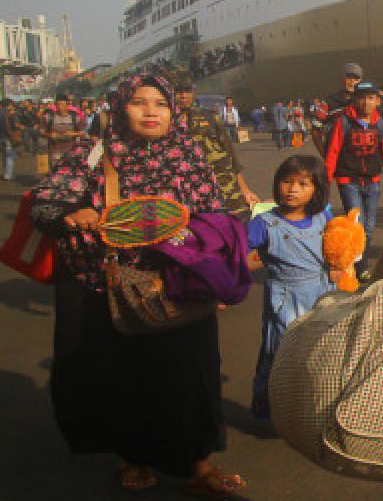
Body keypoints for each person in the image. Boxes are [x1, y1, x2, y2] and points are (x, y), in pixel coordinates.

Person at [28, 70, 245, 496]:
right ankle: (132, 456)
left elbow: (218, 215)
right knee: (122, 376)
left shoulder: (190, 154)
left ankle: (197, 463)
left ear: (173, 111)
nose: (150, 111)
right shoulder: (92, 154)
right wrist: (71, 215)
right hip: (106, 284)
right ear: (120, 107)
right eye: (139, 102)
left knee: (189, 372)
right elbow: (45, 204)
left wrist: (191, 233)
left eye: (160, 103)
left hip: (177, 282)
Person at [247, 154, 335, 420]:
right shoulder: (264, 223)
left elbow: (339, 245)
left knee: (319, 352)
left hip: (323, 295)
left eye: (303, 184)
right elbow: (238, 256)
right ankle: (268, 407)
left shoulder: (324, 215)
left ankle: (310, 408)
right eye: (287, 182)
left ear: (317, 189)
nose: (293, 189)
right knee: (279, 353)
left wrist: (341, 265)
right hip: (285, 298)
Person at [323, 81, 383, 274]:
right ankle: (360, 266)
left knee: (370, 227)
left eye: (371, 98)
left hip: (372, 181)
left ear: (377, 101)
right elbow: (332, 153)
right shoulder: (344, 122)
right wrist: (324, 184)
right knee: (358, 224)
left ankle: (356, 257)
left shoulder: (380, 124)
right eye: (362, 98)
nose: (366, 102)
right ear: (354, 100)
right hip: (349, 182)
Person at [175, 76, 260, 218]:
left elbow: (230, 153)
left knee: (239, 223)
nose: (183, 95)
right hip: (190, 192)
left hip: (225, 185)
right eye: (178, 91)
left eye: (187, 91)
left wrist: (244, 189)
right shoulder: (165, 123)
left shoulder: (210, 118)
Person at [44, 93, 85, 167]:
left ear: (67, 105)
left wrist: (73, 134)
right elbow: (42, 132)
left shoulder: (75, 117)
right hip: (55, 153)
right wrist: (49, 135)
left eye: (62, 104)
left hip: (72, 153)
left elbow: (84, 133)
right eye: (58, 105)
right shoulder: (49, 117)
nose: (60, 107)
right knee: (55, 175)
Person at [0, 99, 21, 181]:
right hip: (9, 137)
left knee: (4, 155)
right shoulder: (11, 113)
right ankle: (8, 175)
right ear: (9, 105)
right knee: (10, 156)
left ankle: (6, 173)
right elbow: (16, 125)